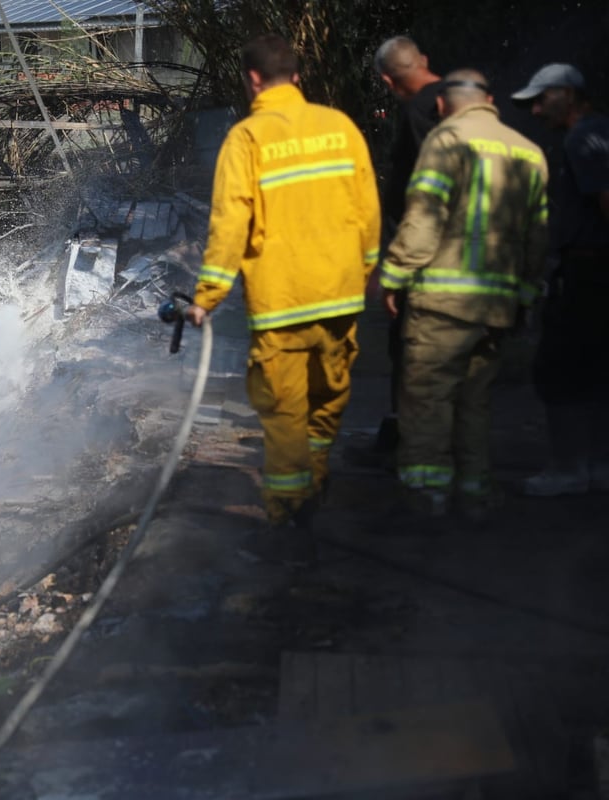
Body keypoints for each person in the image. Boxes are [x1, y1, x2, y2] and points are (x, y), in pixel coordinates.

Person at [188, 33, 381, 563]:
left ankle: (288, 517)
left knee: (283, 414)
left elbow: (230, 224)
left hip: (283, 305)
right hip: (341, 298)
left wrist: (207, 296)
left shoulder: (247, 139)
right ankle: (313, 486)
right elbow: (367, 209)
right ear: (296, 75)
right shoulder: (340, 128)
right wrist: (366, 270)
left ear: (253, 79)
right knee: (326, 403)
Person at [379, 69, 549, 520]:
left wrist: (393, 277)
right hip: (497, 307)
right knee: (475, 402)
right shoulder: (528, 152)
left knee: (428, 401)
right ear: (490, 100)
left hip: (443, 305)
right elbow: (538, 237)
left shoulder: (445, 141)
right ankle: (475, 495)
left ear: (441, 105)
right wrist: (525, 296)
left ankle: (424, 499)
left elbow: (422, 223)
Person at [511, 63, 609, 495]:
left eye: (541, 99)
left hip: (588, 272)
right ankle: (597, 465)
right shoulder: (598, 132)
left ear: (568, 94)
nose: (535, 110)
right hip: (591, 271)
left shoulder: (583, 138)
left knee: (557, 368)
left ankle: (570, 468)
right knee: (595, 368)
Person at [370, 36, 445, 454]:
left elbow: (422, 199)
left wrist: (395, 269)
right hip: (462, 257)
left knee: (410, 353)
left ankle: (411, 448)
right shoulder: (462, 100)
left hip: (424, 260)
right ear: (425, 60)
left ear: (386, 79)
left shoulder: (420, 112)